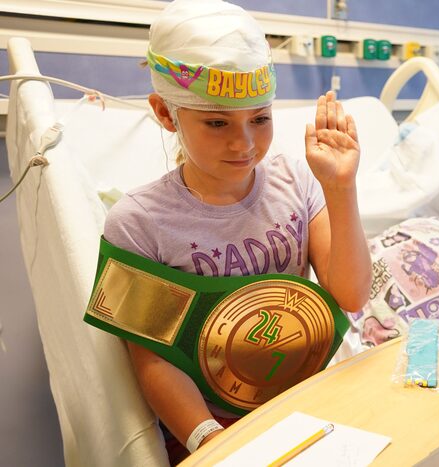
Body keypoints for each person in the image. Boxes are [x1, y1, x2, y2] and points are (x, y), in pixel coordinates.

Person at [101, 0, 371, 461]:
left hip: (313, 395)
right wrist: (211, 441)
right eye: (217, 122)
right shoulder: (138, 223)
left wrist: (340, 188)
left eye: (260, 119)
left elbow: (350, 296)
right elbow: (153, 359)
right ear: (166, 115)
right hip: (212, 421)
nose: (244, 143)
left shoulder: (297, 181)